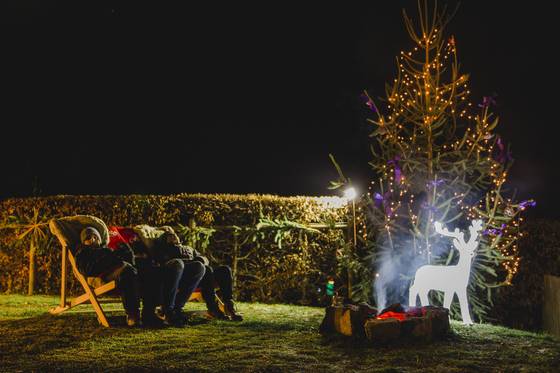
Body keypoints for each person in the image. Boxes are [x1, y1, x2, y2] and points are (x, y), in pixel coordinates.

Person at [156, 230, 243, 321]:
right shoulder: (165, 249)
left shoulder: (189, 248)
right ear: (164, 240)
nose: (173, 236)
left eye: (174, 235)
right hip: (184, 276)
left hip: (202, 276)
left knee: (224, 270)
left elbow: (205, 258)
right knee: (204, 268)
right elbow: (162, 261)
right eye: (169, 236)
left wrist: (201, 259)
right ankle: (212, 307)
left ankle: (229, 306)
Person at [75, 226, 141, 326]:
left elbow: (130, 261)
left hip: (120, 271)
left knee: (143, 271)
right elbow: (88, 270)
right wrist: (108, 258)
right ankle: (132, 315)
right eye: (88, 238)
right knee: (128, 271)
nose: (93, 239)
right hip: (103, 277)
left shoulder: (107, 249)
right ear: (84, 242)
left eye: (95, 236)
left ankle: (150, 313)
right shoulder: (83, 253)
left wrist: (126, 249)